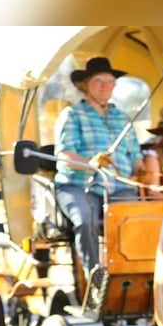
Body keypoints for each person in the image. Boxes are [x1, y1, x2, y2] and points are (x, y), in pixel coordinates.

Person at [54, 56, 144, 282]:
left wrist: (143, 171)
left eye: (110, 81)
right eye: (98, 81)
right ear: (85, 85)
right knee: (85, 219)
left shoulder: (122, 117)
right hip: (79, 185)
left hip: (120, 187)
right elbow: (64, 155)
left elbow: (136, 156)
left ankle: (134, 278)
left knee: (138, 220)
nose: (105, 86)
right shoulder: (72, 115)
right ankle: (95, 279)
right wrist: (90, 163)